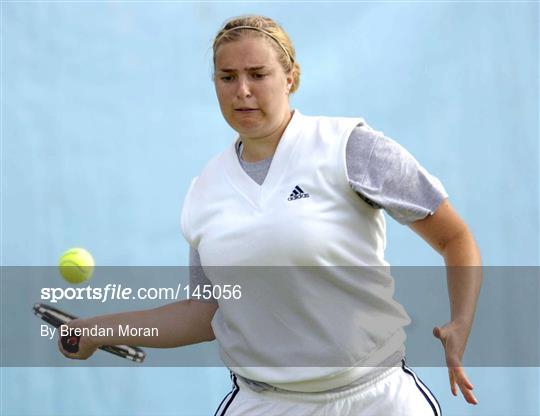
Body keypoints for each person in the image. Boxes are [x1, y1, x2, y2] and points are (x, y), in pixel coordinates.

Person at [60, 15, 483, 416]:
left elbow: (454, 238)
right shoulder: (204, 193)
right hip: (266, 402)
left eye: (258, 74)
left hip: (378, 398)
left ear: (290, 77)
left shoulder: (350, 147)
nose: (242, 90)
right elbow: (205, 313)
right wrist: (100, 330)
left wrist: (461, 323)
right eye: (227, 77)